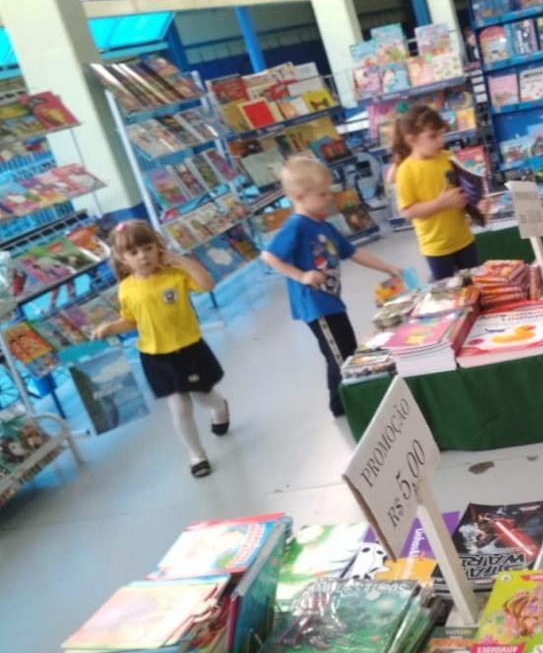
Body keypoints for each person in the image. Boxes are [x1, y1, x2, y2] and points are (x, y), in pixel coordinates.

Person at [260, 155, 402, 417]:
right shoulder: (297, 226)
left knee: (344, 351)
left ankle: (338, 403)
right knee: (341, 356)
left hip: (331, 301)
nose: (329, 198)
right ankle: (351, 405)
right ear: (300, 197)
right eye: (322, 194)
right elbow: (269, 256)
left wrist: (387, 267)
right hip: (316, 305)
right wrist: (301, 276)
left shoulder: (324, 226)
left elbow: (352, 252)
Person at [94, 221, 229, 478]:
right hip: (155, 356)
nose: (142, 256)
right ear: (122, 258)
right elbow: (132, 320)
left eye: (147, 248)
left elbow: (207, 285)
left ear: (158, 248)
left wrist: (179, 260)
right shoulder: (126, 288)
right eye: (133, 252)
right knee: (179, 407)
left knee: (204, 397)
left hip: (189, 349)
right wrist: (110, 327)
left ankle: (220, 407)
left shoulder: (175, 275)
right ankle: (197, 455)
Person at [392, 104, 478, 280]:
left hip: (464, 239)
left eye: (441, 134)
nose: (441, 141)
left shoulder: (448, 157)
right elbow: (407, 211)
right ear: (412, 139)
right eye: (433, 136)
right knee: (448, 292)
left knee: (477, 286)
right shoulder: (406, 171)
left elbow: (463, 190)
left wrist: (477, 201)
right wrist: (439, 204)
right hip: (436, 248)